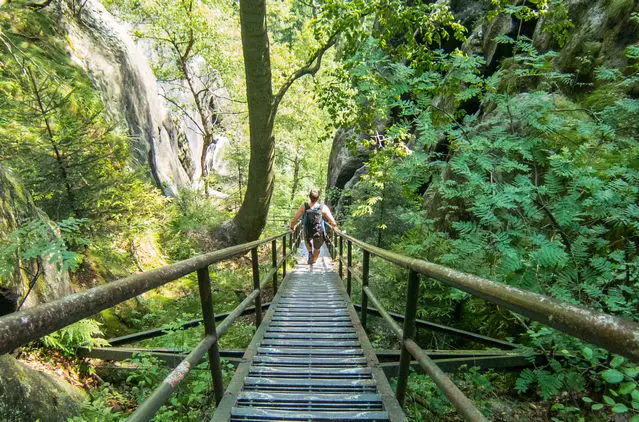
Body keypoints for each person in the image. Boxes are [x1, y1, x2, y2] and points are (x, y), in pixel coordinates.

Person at [290, 188, 337, 264]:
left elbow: (294, 219)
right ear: (318, 198)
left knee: (306, 240)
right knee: (317, 248)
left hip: (306, 229)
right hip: (319, 231)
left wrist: (292, 227)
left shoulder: (304, 206)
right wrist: (335, 227)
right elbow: (333, 222)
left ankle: (309, 253)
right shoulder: (323, 207)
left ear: (309, 197)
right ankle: (313, 260)